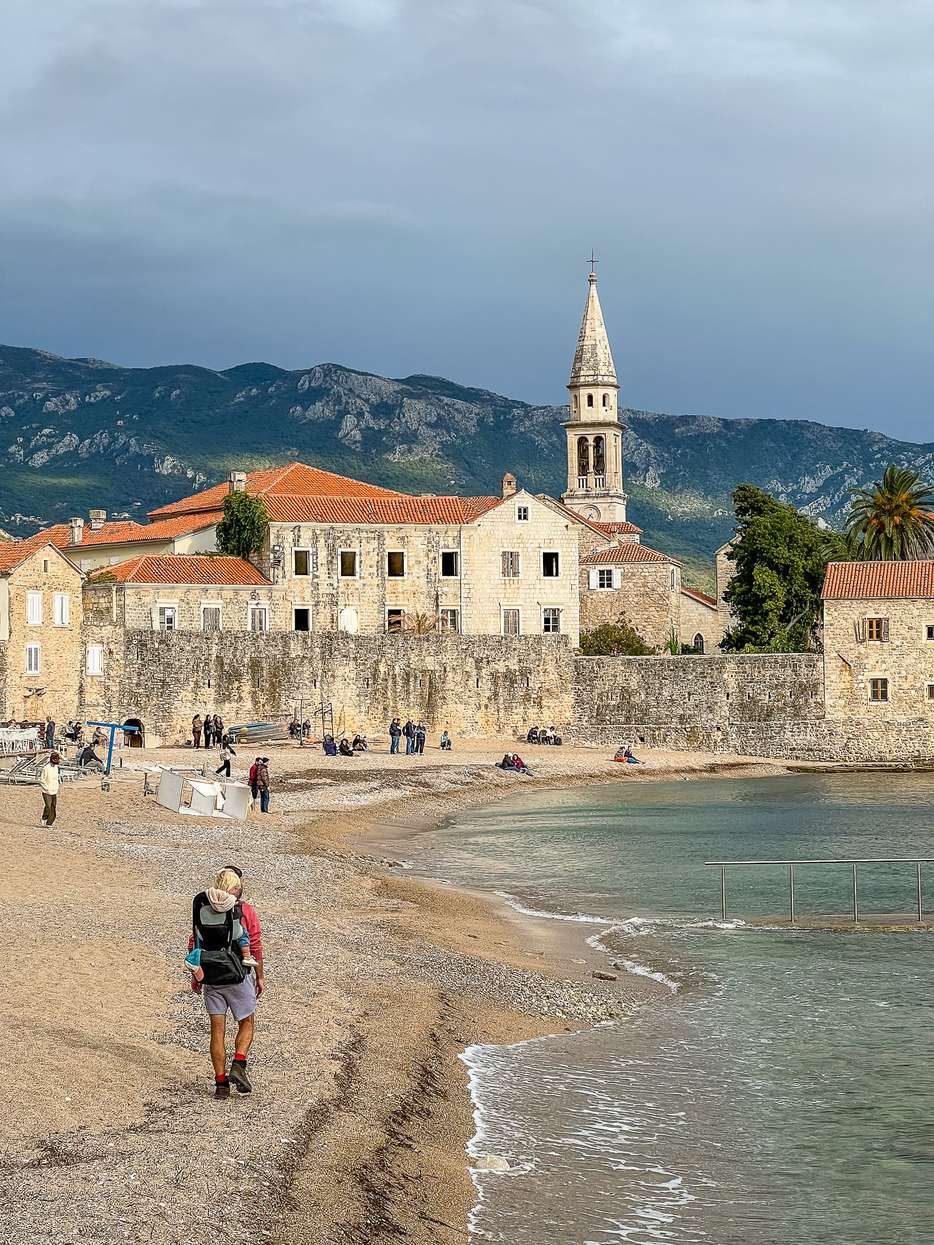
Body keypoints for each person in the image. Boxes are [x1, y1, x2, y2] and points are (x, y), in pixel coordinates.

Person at [188, 866, 265, 1099]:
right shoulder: (245, 910)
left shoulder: (202, 907)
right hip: (238, 974)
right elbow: (254, 944)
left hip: (211, 975)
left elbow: (194, 941)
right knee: (247, 1022)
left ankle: (221, 1084)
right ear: (236, 888)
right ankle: (239, 1064)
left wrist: (196, 976)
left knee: (217, 1030)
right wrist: (260, 976)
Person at [39, 750, 61, 827]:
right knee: (48, 806)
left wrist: (58, 753)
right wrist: (46, 788)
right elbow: (42, 780)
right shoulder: (46, 768)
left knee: (53, 806)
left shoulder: (56, 767)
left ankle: (49, 823)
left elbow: (64, 759)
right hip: (46, 791)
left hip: (54, 790)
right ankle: (44, 818)